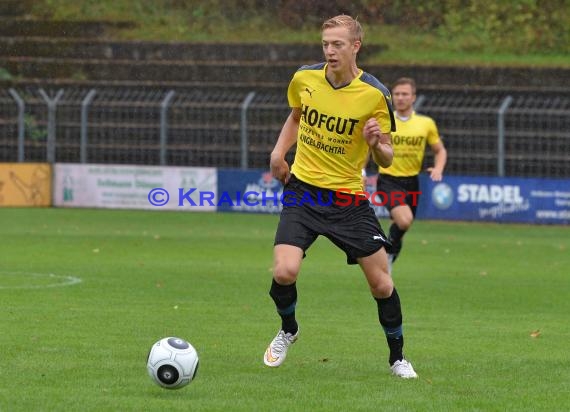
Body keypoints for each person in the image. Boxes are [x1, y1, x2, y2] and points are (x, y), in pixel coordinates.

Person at [264, 15, 417, 379]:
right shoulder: (305, 77)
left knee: (381, 283)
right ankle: (289, 330)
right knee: (284, 272)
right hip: (302, 192)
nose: (330, 51)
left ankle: (397, 358)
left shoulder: (375, 94)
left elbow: (387, 157)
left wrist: (375, 143)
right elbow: (297, 116)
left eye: (337, 45)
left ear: (355, 46)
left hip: (348, 199)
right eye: (325, 44)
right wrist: (277, 152)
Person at [378, 77, 447, 271]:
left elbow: (440, 150)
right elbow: (368, 148)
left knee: (402, 225)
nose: (400, 98)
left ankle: (388, 258)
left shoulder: (426, 124)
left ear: (413, 97)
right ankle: (384, 252)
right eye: (397, 94)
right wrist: (361, 170)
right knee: (404, 219)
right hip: (388, 180)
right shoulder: (384, 120)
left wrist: (438, 168)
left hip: (412, 182)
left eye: (404, 94)